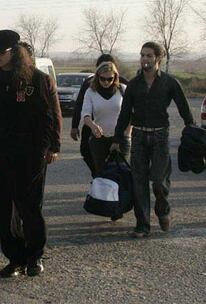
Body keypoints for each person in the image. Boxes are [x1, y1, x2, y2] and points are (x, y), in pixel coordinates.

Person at [0, 30, 62, 277]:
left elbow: (51, 116)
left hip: (30, 155)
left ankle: (34, 256)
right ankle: (14, 258)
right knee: (3, 211)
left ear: (15, 52)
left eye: (1, 52)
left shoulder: (37, 79)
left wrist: (53, 147)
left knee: (29, 208)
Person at [113, 41, 195, 238]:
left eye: (149, 55)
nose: (144, 59)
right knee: (138, 181)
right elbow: (124, 114)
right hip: (139, 136)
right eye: (142, 55)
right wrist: (117, 138)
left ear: (158, 58)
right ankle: (142, 225)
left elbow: (184, 108)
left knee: (158, 181)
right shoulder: (133, 84)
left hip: (160, 135)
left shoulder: (169, 82)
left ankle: (162, 209)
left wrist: (192, 132)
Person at [71, 54, 128, 178]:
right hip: (97, 136)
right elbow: (82, 110)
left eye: (110, 79)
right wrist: (81, 125)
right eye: (103, 78)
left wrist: (125, 135)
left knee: (121, 173)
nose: (106, 82)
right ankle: (98, 186)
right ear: (97, 75)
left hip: (120, 137)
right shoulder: (89, 89)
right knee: (100, 172)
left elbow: (131, 113)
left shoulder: (123, 88)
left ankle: (121, 196)